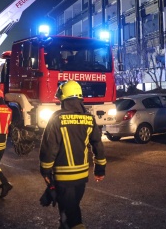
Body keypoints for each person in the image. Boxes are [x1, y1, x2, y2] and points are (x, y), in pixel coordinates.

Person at [39, 80, 106, 229]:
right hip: (81, 178)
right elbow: (98, 146)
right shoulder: (89, 118)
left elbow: (50, 148)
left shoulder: (56, 118)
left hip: (63, 177)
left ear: (63, 98)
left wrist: (45, 171)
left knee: (72, 217)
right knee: (68, 212)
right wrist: (100, 170)